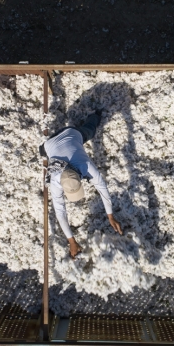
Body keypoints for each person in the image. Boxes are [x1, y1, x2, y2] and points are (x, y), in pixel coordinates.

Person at [41, 110, 122, 258]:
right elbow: (60, 213)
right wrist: (71, 241)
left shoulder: (83, 165)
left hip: (65, 137)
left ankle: (96, 114)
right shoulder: (56, 179)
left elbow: (102, 188)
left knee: (87, 131)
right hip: (59, 139)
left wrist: (110, 216)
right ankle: (95, 115)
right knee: (86, 132)